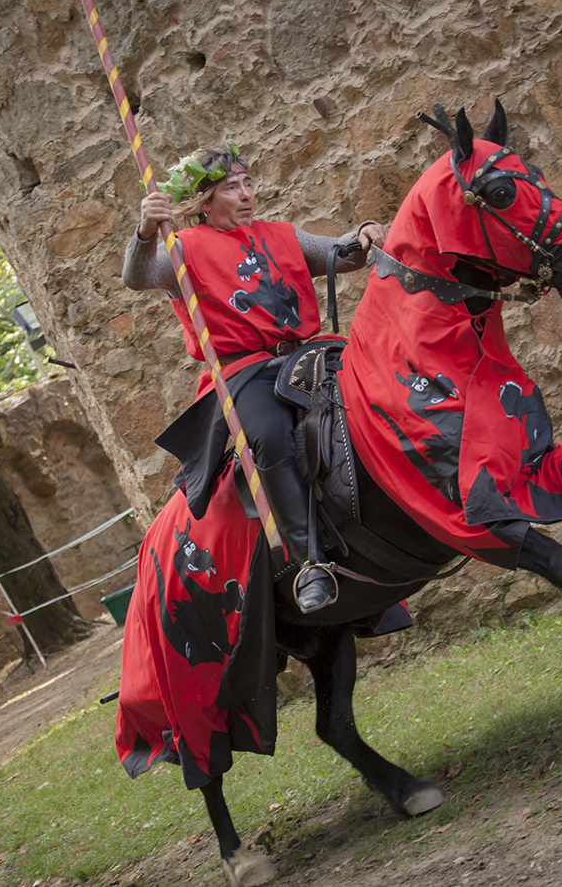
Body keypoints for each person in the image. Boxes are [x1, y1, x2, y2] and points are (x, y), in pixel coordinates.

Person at [123, 143, 386, 613]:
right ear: (205, 203)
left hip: (308, 355)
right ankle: (310, 563)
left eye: (248, 183)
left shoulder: (281, 234)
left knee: (377, 386)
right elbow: (138, 276)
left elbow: (343, 255)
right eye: (231, 188)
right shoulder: (181, 248)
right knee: (268, 435)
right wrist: (145, 231)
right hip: (245, 371)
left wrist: (365, 232)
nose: (246, 194)